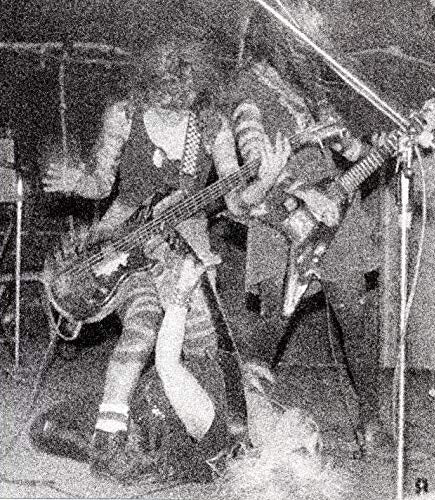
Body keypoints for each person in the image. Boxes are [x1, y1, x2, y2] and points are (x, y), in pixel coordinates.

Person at [42, 37, 290, 482]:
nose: (172, 106)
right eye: (162, 97)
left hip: (186, 245)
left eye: (182, 97)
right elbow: (101, 183)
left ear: (195, 89)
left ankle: (189, 437)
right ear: (147, 85)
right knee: (143, 322)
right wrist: (78, 181)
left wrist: (264, 182)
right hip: (124, 241)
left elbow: (236, 202)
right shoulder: (124, 114)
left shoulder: (211, 125)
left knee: (201, 350)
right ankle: (108, 440)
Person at [223, 6, 389, 457]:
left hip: (335, 213)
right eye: (298, 32)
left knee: (356, 322)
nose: (307, 42)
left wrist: (373, 147)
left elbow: (352, 151)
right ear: (277, 36)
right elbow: (254, 159)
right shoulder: (249, 89)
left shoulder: (311, 93)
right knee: (273, 325)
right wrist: (300, 191)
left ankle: (371, 422)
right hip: (283, 218)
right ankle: (242, 423)